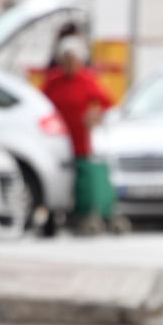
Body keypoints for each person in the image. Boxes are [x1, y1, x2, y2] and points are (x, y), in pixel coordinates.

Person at [42, 37, 115, 233]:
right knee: (59, 175)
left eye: (73, 60)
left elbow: (107, 102)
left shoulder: (87, 80)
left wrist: (94, 115)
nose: (69, 64)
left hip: (81, 138)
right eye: (66, 60)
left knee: (82, 177)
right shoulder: (53, 81)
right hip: (57, 139)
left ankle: (82, 213)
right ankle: (56, 213)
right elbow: (41, 104)